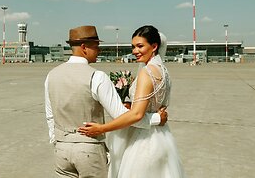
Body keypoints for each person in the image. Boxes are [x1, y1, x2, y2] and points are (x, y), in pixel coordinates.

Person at [45, 25, 168, 178]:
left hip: (61, 150)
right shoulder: (97, 77)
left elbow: (50, 116)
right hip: (89, 150)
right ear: (84, 47)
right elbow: (120, 114)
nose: (99, 50)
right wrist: (156, 118)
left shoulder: (51, 75)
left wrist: (57, 141)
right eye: (96, 46)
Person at [78, 25, 186, 178]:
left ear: (154, 46)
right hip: (162, 137)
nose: (135, 51)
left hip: (143, 141)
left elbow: (136, 115)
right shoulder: (163, 71)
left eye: (140, 46)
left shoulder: (147, 72)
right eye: (133, 46)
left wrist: (101, 129)